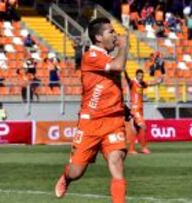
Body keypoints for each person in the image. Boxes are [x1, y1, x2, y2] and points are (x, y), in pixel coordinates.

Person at [54, 17, 129, 203]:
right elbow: (119, 66)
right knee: (76, 171)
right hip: (91, 123)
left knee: (116, 160)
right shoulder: (91, 57)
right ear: (98, 37)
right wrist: (125, 46)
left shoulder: (107, 58)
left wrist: (123, 105)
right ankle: (66, 176)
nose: (115, 35)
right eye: (110, 32)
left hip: (113, 121)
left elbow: (110, 85)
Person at [124, 69, 161, 155]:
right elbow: (127, 79)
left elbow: (150, 83)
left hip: (140, 110)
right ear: (136, 76)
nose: (140, 78)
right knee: (143, 126)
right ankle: (144, 148)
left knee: (136, 129)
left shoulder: (142, 84)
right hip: (135, 109)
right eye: (139, 76)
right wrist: (125, 72)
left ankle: (131, 149)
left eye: (142, 76)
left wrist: (158, 81)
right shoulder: (133, 83)